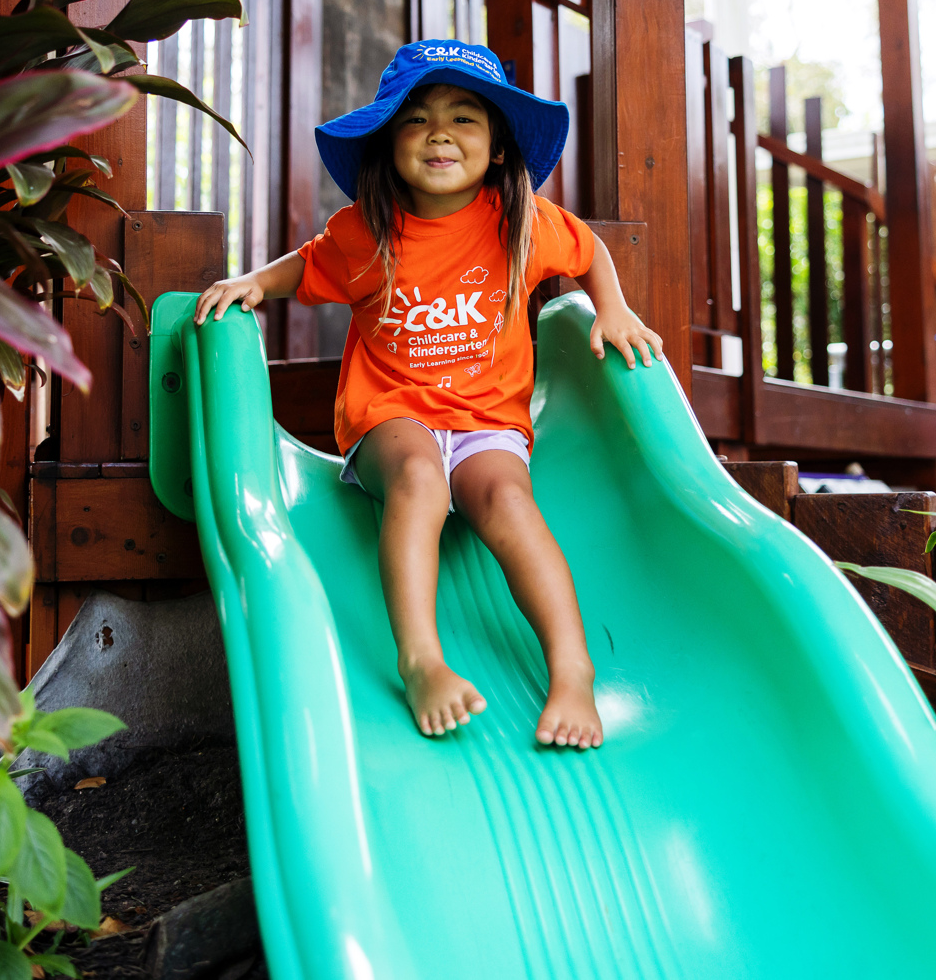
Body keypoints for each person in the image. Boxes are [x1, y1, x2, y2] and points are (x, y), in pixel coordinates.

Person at [194, 41, 662, 750]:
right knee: (419, 480)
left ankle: (572, 671)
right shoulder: (365, 233)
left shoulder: (521, 225)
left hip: (486, 420)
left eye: (464, 118)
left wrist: (614, 308)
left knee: (506, 499)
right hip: (392, 413)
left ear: (499, 148)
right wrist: (253, 283)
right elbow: (307, 265)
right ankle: (420, 660)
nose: (440, 133)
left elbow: (588, 249)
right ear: (388, 143)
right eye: (416, 119)